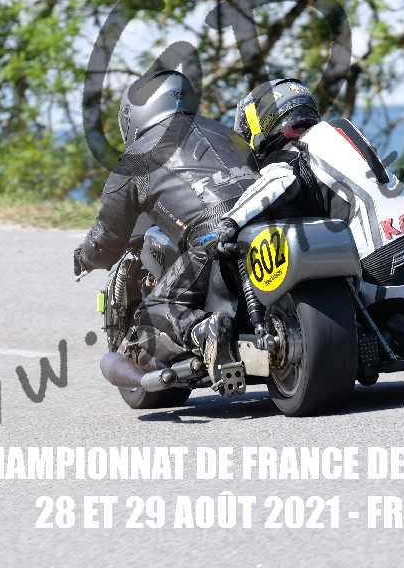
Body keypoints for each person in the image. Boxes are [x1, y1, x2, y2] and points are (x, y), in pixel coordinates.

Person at [223, 78, 404, 355]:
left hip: (384, 280)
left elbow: (271, 187)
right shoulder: (345, 131)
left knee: (320, 262)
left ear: (260, 126)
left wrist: (229, 223)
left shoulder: (288, 156)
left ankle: (400, 328)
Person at [74, 68, 264, 394]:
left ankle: (203, 329)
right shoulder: (228, 134)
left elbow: (108, 235)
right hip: (268, 225)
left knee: (156, 308)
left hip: (212, 236)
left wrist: (85, 257)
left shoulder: (136, 157)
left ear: (135, 114)